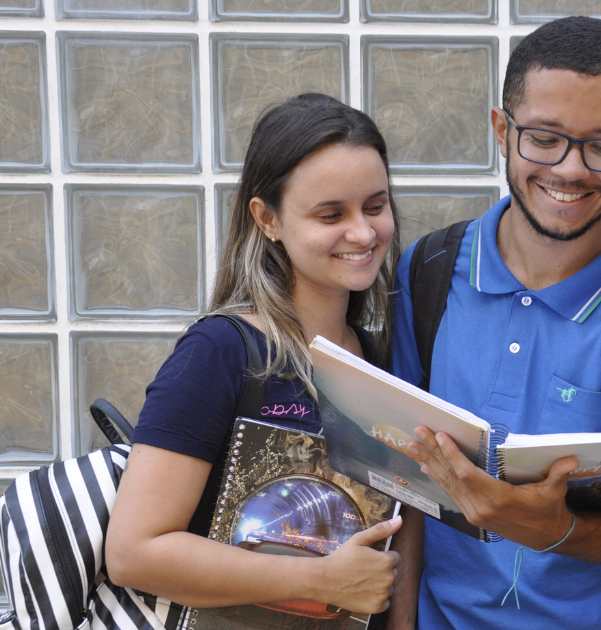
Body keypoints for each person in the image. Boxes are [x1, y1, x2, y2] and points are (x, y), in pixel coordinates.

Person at [391, 16, 601, 630]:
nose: (569, 169)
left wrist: (540, 524)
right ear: (500, 130)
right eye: (544, 137)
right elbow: (404, 476)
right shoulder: (427, 269)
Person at [105, 93, 413, 621]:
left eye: (375, 206)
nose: (363, 233)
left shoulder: (386, 362)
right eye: (330, 213)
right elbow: (133, 552)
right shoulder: (220, 352)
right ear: (267, 219)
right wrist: (320, 579)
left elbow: (402, 546)